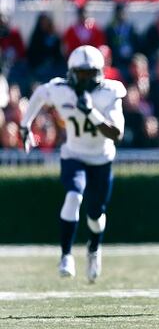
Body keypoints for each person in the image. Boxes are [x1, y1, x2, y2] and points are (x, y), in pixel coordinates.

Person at [19, 45, 126, 283]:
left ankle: (94, 248)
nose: (86, 79)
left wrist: (92, 113)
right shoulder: (61, 89)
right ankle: (66, 255)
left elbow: (117, 133)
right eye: (81, 73)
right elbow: (39, 95)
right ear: (71, 73)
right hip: (74, 154)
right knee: (73, 195)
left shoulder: (109, 92)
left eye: (91, 73)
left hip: (101, 158)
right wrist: (25, 124)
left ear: (100, 72)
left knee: (95, 215)